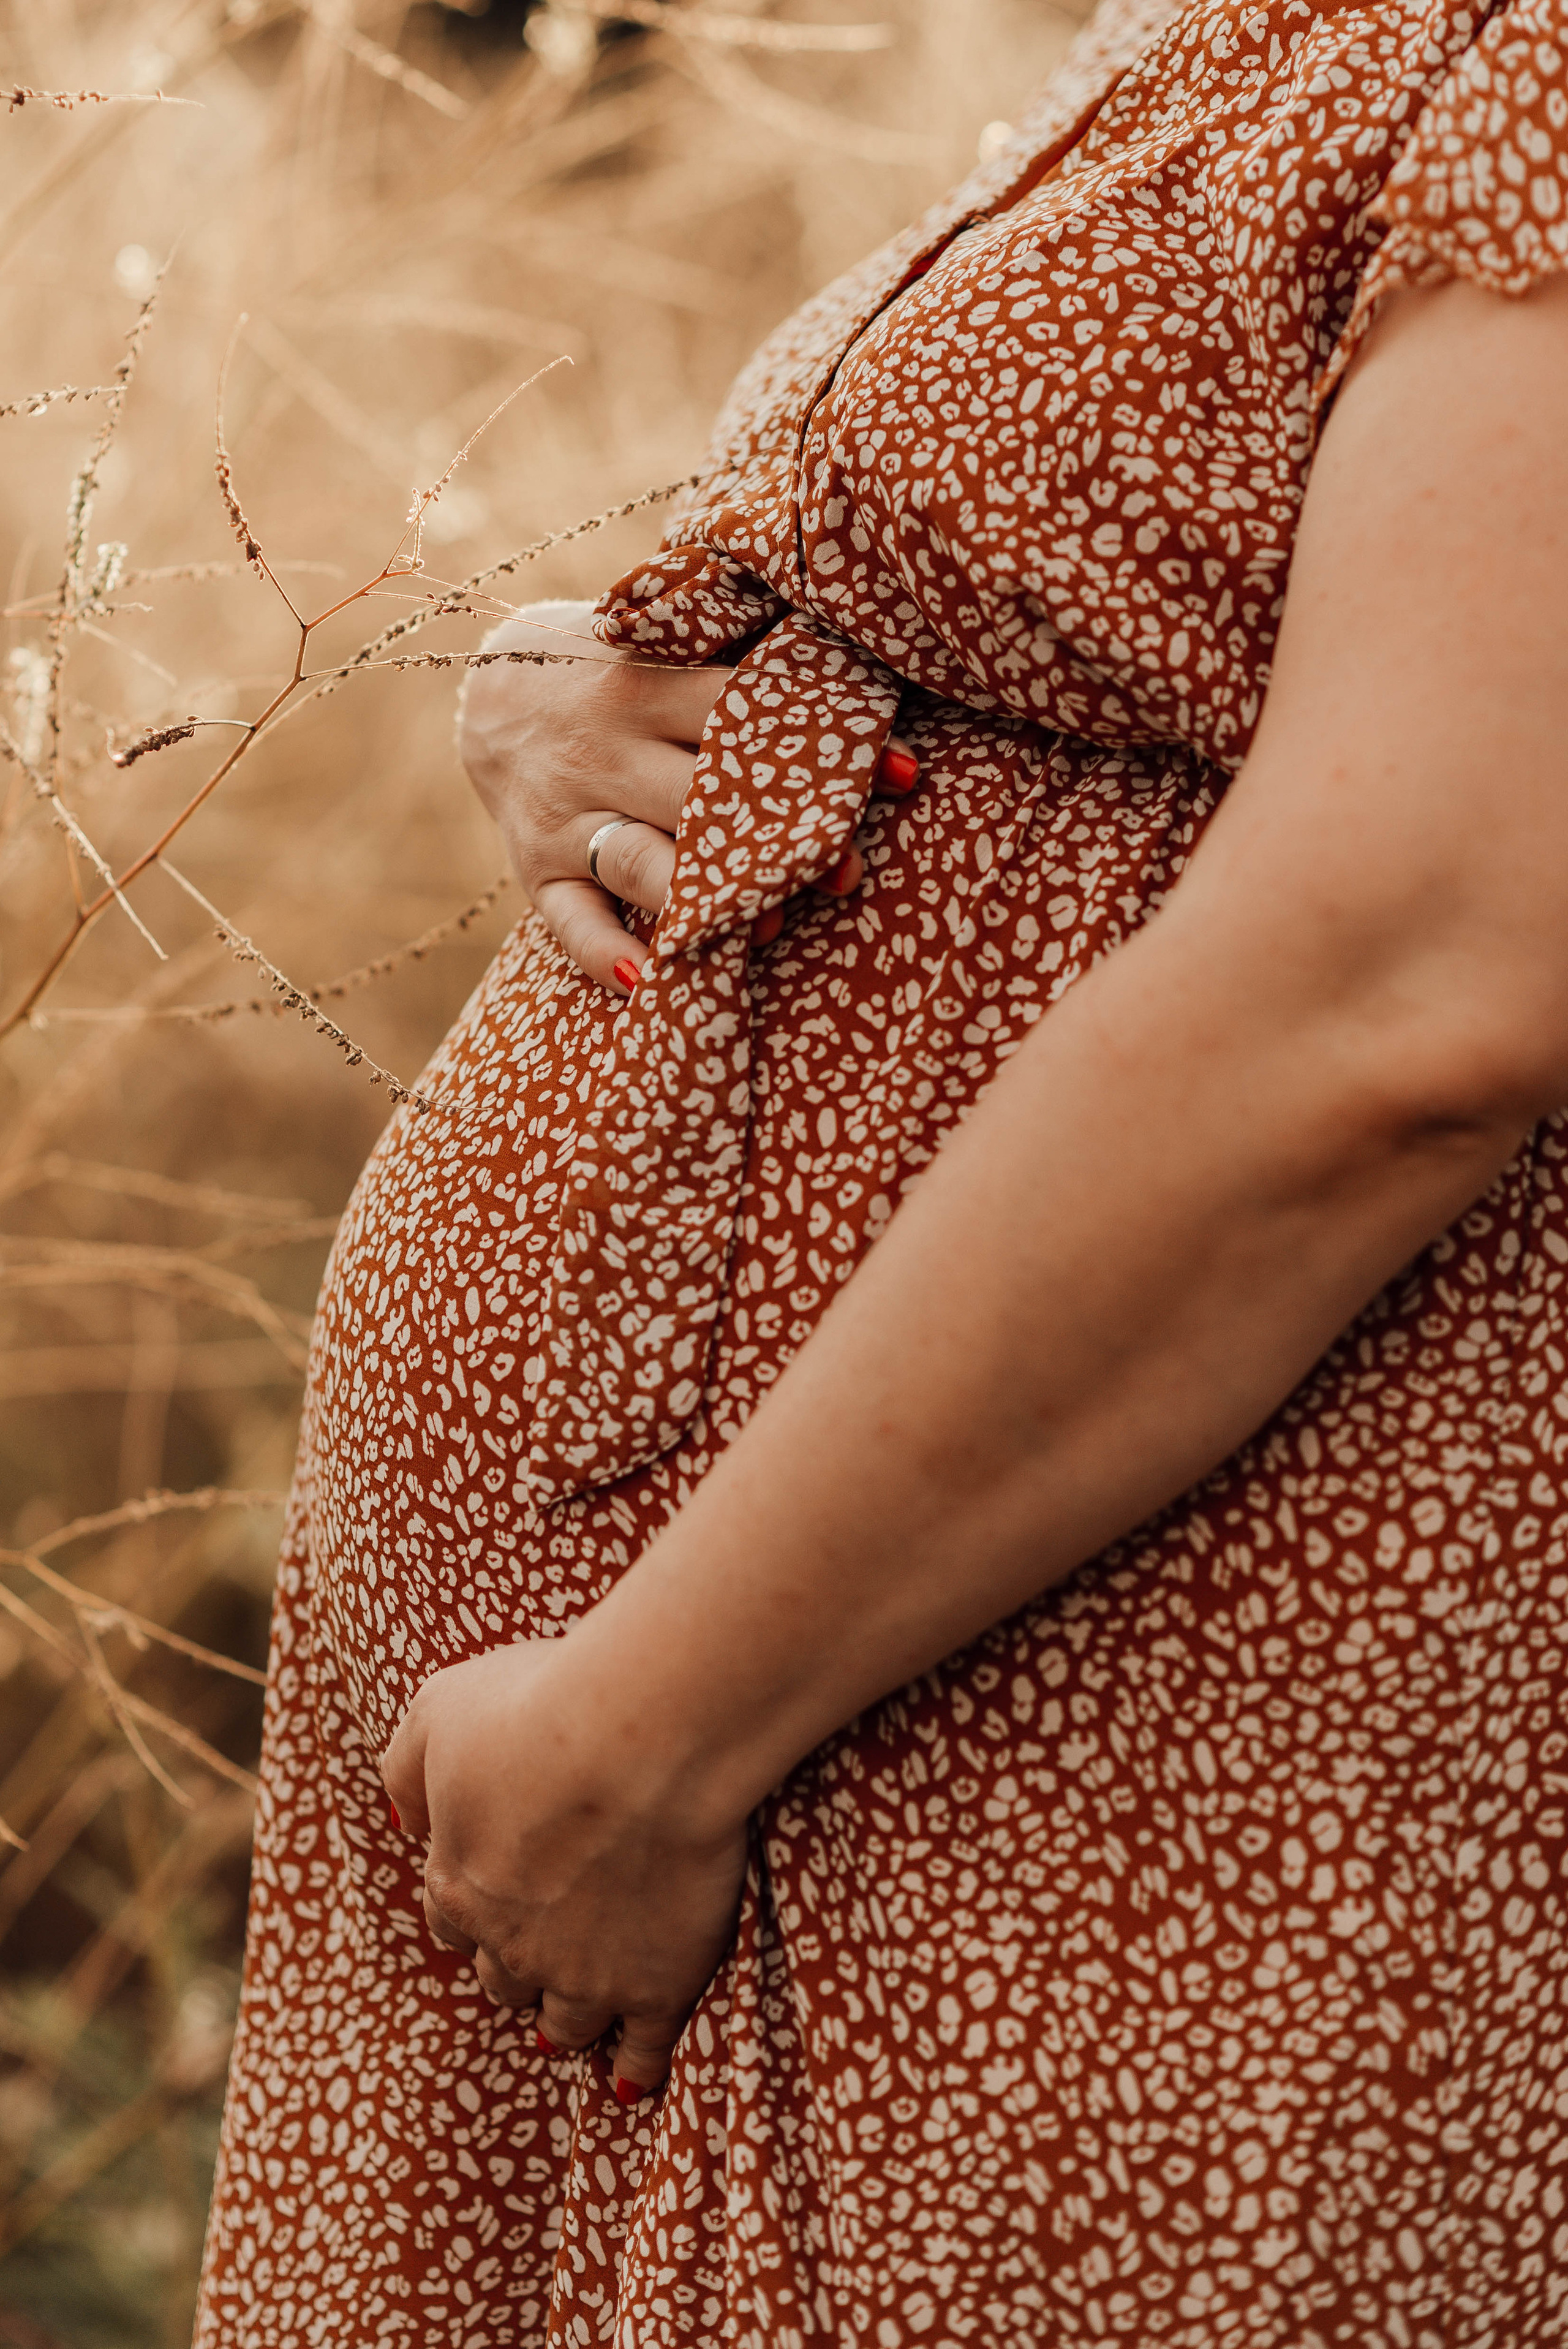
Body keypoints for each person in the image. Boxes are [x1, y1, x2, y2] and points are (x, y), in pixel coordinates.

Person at [194, 0, 1568, 2340]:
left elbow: (1416, 974)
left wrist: (650, 1726)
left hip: (1078, 1727)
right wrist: (574, 679)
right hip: (794, 1712)